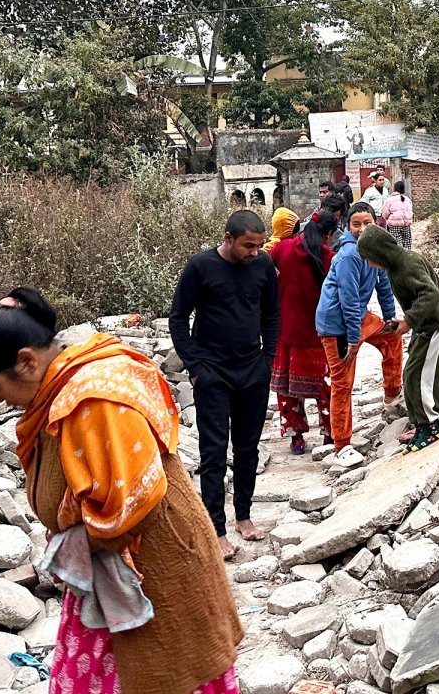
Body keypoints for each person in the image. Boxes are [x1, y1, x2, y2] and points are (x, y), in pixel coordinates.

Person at [0, 289, 242, 694]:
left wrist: (70, 544)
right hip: (110, 568)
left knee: (163, 673)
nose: (0, 403)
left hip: (153, 565)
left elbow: (129, 500)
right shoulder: (62, 388)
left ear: (27, 361)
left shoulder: (92, 398)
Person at [168, 209, 280, 559]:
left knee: (248, 449)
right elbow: (177, 318)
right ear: (228, 239)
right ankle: (215, 528)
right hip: (212, 374)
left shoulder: (262, 267)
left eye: (259, 245)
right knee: (213, 453)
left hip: (252, 371)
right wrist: (195, 365)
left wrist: (267, 361)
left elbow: (272, 314)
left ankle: (243, 517)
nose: (254, 252)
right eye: (248, 245)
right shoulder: (200, 267)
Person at [314, 202, 404, 458]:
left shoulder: (376, 251)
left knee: (392, 338)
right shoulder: (349, 256)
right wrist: (354, 339)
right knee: (343, 382)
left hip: (359, 316)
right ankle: (342, 444)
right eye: (356, 224)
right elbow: (348, 299)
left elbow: (383, 286)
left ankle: (392, 396)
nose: (362, 229)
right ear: (347, 226)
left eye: (368, 223)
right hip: (336, 325)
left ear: (377, 224)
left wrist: (390, 319)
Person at [357, 225, 439, 453]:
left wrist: (408, 321)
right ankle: (420, 424)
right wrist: (403, 320)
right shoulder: (393, 267)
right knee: (410, 373)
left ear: (380, 252)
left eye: (370, 259)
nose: (370, 264)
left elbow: (430, 293)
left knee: (425, 376)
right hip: (424, 326)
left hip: (438, 324)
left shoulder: (408, 262)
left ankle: (432, 426)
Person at [267, 210, 338, 455]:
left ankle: (296, 436)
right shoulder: (328, 256)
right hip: (318, 333)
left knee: (288, 390)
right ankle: (329, 433)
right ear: (328, 235)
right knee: (324, 388)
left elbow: (263, 271)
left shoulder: (281, 250)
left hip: (285, 330)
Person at [379, 180, 415, 249]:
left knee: (397, 243)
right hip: (406, 225)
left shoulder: (390, 200)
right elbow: (410, 212)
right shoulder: (407, 199)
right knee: (407, 242)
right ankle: (407, 257)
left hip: (394, 225)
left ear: (394, 189)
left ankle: (398, 258)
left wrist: (389, 219)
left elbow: (385, 213)